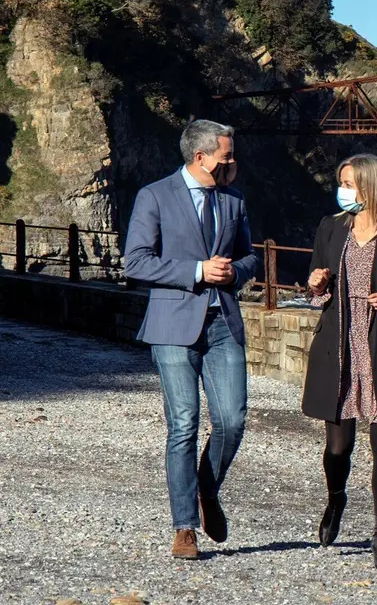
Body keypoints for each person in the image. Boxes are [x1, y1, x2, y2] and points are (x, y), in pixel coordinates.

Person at [124, 119, 259, 560]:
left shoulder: (234, 200)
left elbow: (249, 257)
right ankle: (184, 527)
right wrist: (198, 271)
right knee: (183, 424)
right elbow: (136, 263)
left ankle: (206, 488)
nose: (233, 162)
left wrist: (233, 272)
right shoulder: (155, 196)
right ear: (201, 158)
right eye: (227, 155)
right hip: (173, 326)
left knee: (232, 420)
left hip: (223, 325)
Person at [302, 153, 377, 571]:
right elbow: (315, 282)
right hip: (338, 345)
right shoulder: (331, 227)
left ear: (371, 187)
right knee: (338, 446)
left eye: (351, 183)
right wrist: (315, 283)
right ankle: (336, 499)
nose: (344, 190)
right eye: (342, 182)